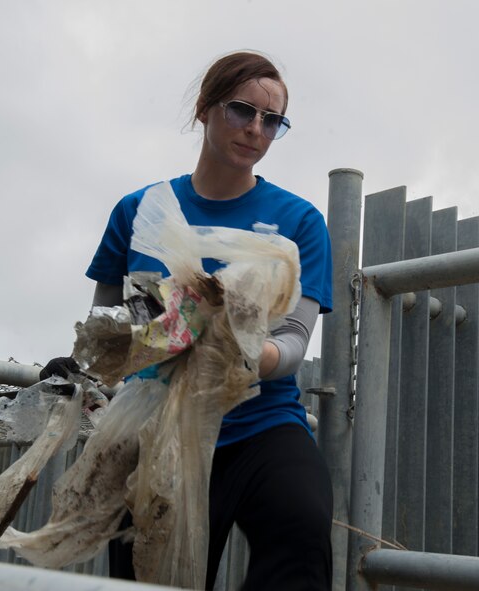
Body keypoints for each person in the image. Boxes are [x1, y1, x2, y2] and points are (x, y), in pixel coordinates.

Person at [45, 51, 334, 590]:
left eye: (272, 120)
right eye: (242, 110)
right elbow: (110, 319)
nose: (255, 129)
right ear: (205, 109)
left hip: (260, 424)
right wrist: (89, 363)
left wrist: (241, 350)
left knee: (301, 531)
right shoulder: (139, 212)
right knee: (148, 573)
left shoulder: (298, 222)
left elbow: (293, 340)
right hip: (155, 430)